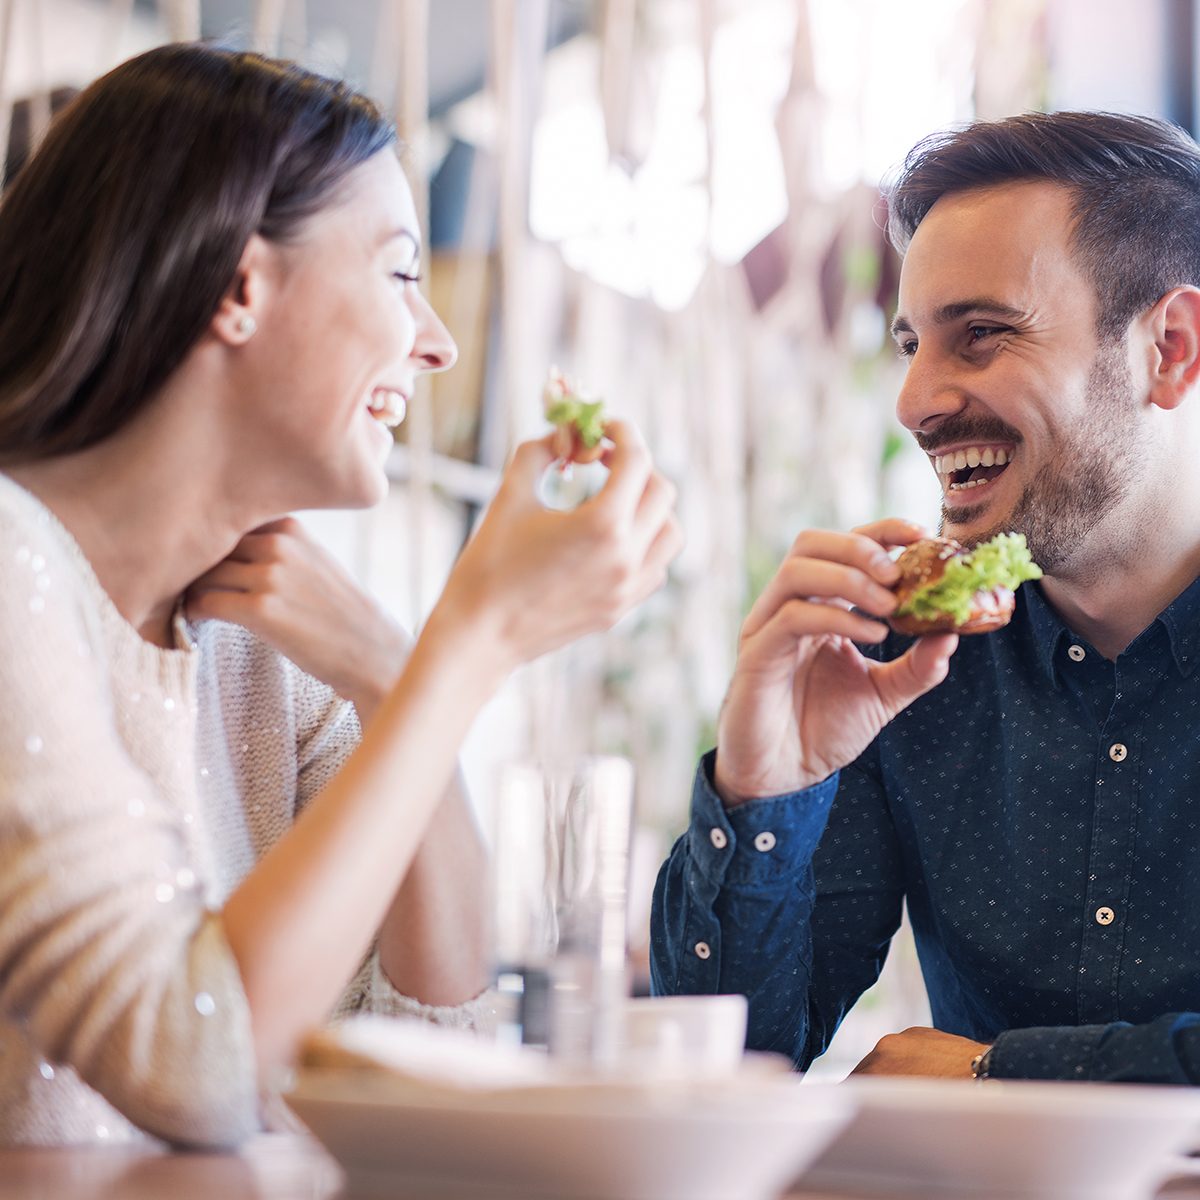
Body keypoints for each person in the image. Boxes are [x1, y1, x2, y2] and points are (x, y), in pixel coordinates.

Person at [0, 44, 681, 1148]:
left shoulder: (258, 652)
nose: (439, 342)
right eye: (401, 271)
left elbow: (436, 1051)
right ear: (236, 285)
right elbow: (199, 1066)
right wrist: (471, 644)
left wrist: (392, 671)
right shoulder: (10, 564)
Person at [651, 110, 1200, 1086]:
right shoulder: (904, 663)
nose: (914, 400)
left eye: (980, 335)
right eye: (910, 343)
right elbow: (728, 1068)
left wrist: (1001, 1072)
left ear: (1171, 349)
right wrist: (765, 784)